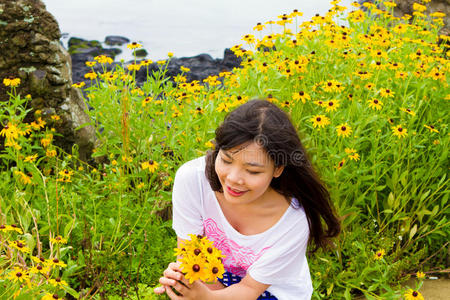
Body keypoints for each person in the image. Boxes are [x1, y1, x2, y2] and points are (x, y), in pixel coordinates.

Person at [154, 99, 340, 299]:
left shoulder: (293, 222)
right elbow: (190, 254)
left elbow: (250, 290)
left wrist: (206, 298)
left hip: (270, 292)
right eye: (226, 160)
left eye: (252, 171)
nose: (233, 179)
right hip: (218, 278)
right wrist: (185, 285)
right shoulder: (193, 179)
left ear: (278, 169)